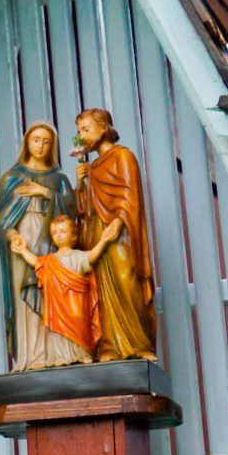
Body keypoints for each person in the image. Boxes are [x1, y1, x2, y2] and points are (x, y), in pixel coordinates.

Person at [71, 108, 157, 361]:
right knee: (102, 291)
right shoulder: (92, 166)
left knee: (126, 281)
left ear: (103, 128)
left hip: (120, 234)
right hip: (98, 235)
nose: (82, 136)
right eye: (79, 131)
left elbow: (131, 194)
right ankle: (109, 346)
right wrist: (81, 184)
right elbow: (84, 210)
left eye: (86, 129)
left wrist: (118, 222)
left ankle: (139, 345)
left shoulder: (123, 157)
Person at [0, 121, 75, 371]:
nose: (40, 145)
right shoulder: (13, 177)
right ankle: (33, 356)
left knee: (53, 293)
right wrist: (11, 236)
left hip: (52, 238)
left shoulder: (59, 180)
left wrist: (46, 193)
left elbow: (73, 210)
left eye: (46, 141)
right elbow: (1, 218)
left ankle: (58, 352)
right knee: (27, 294)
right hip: (24, 241)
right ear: (27, 143)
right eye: (36, 140)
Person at [21, 213, 124, 368]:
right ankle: (62, 355)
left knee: (80, 326)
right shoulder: (50, 260)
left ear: (73, 234)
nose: (59, 235)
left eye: (63, 231)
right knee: (58, 330)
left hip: (77, 302)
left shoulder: (78, 256)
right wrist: (23, 250)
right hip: (57, 305)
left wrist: (103, 240)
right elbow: (36, 262)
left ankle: (83, 354)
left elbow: (92, 257)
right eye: (55, 233)